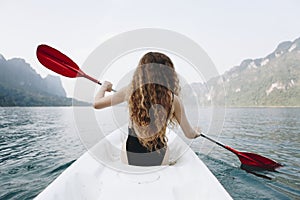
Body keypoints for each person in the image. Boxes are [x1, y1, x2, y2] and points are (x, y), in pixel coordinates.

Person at [93, 52, 201, 166]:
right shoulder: (174, 100)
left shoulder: (130, 91)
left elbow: (97, 104)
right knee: (165, 148)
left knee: (127, 141)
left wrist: (104, 87)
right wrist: (197, 132)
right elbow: (189, 134)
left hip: (131, 154)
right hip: (159, 156)